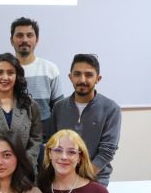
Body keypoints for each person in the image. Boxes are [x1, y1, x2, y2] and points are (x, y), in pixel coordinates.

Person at [50, 54, 121, 185]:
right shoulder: (59, 107)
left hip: (95, 178)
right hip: (62, 176)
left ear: (98, 79)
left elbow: (107, 151)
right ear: (70, 77)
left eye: (88, 75)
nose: (82, 80)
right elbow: (53, 145)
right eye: (77, 74)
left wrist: (80, 179)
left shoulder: (111, 109)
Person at [10, 17, 63, 132]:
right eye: (19, 35)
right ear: (11, 40)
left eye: (29, 35)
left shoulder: (50, 69)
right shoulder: (4, 70)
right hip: (11, 135)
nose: (25, 40)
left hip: (44, 135)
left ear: (37, 40)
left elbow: (59, 110)